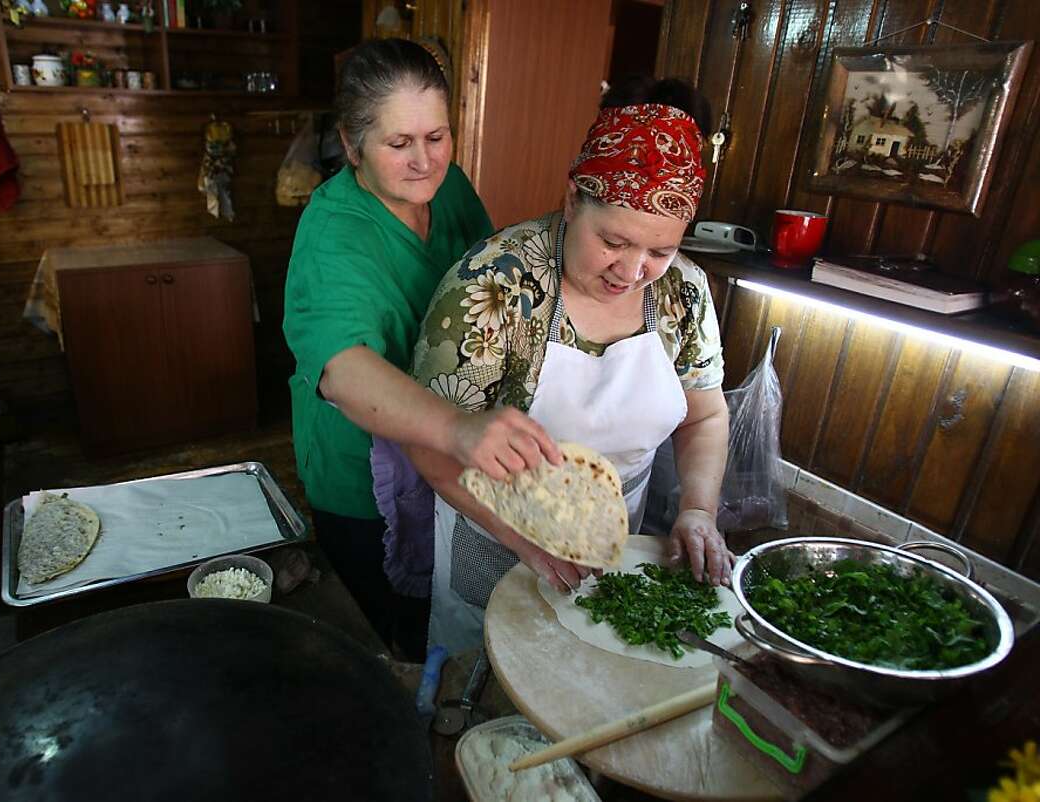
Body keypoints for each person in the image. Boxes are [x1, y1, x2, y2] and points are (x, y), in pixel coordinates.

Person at [408, 79, 734, 652]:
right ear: (572, 201)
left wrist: (698, 510)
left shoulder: (685, 291)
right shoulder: (493, 285)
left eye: (659, 251)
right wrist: (529, 541)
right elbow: (431, 445)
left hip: (614, 537)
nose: (632, 271)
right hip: (493, 534)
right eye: (613, 242)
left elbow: (704, 415)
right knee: (486, 675)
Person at [282, 38, 560, 660]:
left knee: (447, 619)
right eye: (399, 143)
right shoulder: (334, 234)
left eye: (436, 137)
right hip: (363, 480)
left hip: (446, 456)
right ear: (352, 146)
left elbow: (491, 282)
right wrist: (459, 429)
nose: (424, 161)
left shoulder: (449, 188)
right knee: (395, 638)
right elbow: (344, 371)